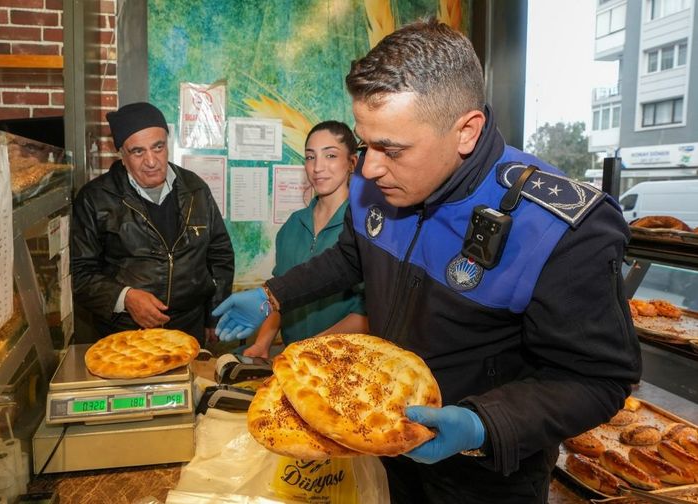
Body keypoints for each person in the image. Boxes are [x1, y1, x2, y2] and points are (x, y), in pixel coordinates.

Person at [213, 19, 640, 503]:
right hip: (383, 443)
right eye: (364, 144)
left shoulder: (561, 230)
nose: (368, 168)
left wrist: (482, 424)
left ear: (466, 131)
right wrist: (273, 293)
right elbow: (351, 257)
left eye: (391, 149)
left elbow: (598, 378)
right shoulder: (378, 187)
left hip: (486, 473)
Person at [71, 102, 234, 346]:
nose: (151, 161)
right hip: (126, 335)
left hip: (188, 330)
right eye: (138, 152)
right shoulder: (95, 199)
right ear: (122, 156)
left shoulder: (195, 189)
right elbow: (81, 276)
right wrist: (125, 297)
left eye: (158, 147)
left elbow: (220, 255)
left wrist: (214, 315)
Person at [243, 121, 367, 358]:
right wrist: (262, 343)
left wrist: (310, 350)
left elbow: (368, 315)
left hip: (344, 363)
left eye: (330, 155)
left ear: (352, 163)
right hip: (295, 362)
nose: (318, 167)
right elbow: (281, 296)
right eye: (310, 157)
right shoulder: (292, 225)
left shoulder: (364, 228)